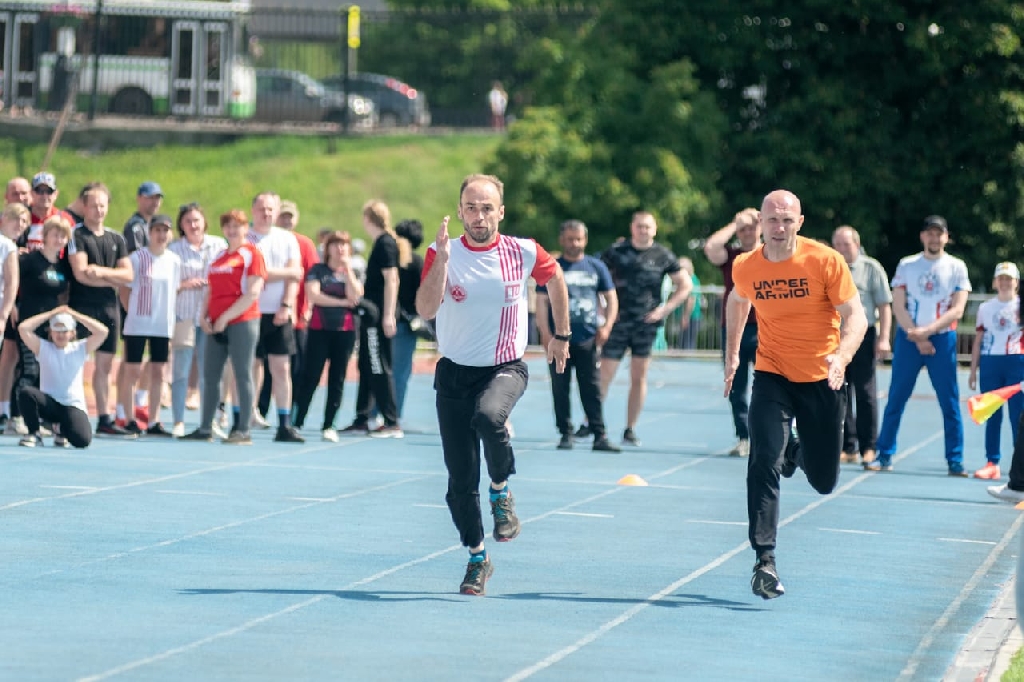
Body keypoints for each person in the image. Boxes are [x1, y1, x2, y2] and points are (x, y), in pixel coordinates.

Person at [415, 173, 571, 596]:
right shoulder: (441, 253)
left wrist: (562, 334)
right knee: (459, 483)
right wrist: (442, 261)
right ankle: (477, 557)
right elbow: (425, 308)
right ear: (460, 211)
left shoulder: (522, 251)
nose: (479, 216)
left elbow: (555, 278)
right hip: (454, 373)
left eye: (487, 208)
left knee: (488, 417)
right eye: (471, 208)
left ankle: (501, 491)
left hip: (504, 367)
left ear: (501, 211)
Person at [725, 189, 867, 600]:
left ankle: (795, 451)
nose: (779, 227)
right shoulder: (746, 266)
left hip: (822, 378)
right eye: (772, 219)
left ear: (799, 223)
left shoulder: (824, 260)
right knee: (762, 460)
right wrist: (732, 355)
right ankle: (764, 559)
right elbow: (737, 301)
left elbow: (856, 316)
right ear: (761, 223)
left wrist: (842, 357)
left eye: (787, 220)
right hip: (772, 373)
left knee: (824, 481)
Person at [870, 215, 971, 475]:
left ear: (946, 237)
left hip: (942, 340)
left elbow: (957, 309)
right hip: (909, 339)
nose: (934, 238)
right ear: (923, 236)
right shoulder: (908, 265)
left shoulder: (956, 266)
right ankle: (884, 454)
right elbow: (898, 304)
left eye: (939, 234)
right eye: (930, 233)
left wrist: (928, 332)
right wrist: (916, 334)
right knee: (896, 397)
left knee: (949, 401)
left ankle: (955, 459)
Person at [599, 211, 692, 446]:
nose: (643, 231)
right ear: (632, 228)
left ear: (655, 229)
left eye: (648, 227)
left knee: (639, 376)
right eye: (639, 226)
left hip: (646, 324)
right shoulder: (616, 251)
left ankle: (630, 428)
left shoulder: (662, 255)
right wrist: (603, 309)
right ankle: (592, 422)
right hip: (618, 322)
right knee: (605, 373)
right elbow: (596, 276)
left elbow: (685, 284)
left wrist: (665, 309)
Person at [536, 219, 620, 452]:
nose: (574, 243)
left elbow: (611, 298)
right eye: (570, 239)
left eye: (578, 239)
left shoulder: (596, 267)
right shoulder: (552, 267)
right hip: (559, 340)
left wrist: (607, 326)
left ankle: (599, 434)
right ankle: (565, 432)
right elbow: (541, 302)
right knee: (560, 388)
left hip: (587, 339)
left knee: (591, 388)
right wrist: (545, 332)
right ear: (562, 240)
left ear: (585, 240)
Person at [182, 210, 266, 445]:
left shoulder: (252, 254)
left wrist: (226, 317)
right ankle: (205, 427)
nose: (232, 230)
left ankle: (243, 429)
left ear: (246, 229)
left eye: (237, 226)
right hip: (215, 323)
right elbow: (210, 289)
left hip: (242, 321)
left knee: (242, 373)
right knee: (210, 375)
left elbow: (253, 293)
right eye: (228, 226)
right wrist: (203, 316)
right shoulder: (219, 256)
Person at [66, 184, 135, 437]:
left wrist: (102, 272)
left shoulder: (117, 239)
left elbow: (128, 275)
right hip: (82, 305)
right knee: (75, 363)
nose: (98, 210)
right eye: (94, 205)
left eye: (102, 205)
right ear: (84, 207)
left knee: (104, 365)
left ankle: (104, 418)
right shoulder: (76, 235)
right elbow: (82, 274)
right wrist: (112, 277)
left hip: (109, 308)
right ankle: (71, 413)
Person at [341, 200, 405, 438]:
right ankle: (363, 417)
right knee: (366, 365)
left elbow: (392, 279)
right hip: (371, 314)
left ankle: (391, 421)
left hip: (379, 315)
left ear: (368, 219)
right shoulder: (380, 243)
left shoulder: (386, 243)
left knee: (379, 365)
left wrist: (388, 315)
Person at [831, 226, 893, 465]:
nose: (842, 249)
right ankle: (848, 446)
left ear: (857, 244)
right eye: (837, 244)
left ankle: (869, 446)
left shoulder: (871, 268)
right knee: (839, 391)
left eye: (846, 244)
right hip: (835, 337)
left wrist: (884, 338)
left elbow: (884, 305)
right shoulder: (830, 267)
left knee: (865, 392)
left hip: (863, 335)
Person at [7, 216, 72, 438]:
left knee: (45, 373)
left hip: (50, 328)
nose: (59, 239)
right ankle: (15, 417)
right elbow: (9, 280)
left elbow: (63, 294)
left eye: (63, 236)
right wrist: (12, 305)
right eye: (55, 234)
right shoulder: (30, 260)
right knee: (29, 370)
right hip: (28, 323)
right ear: (45, 236)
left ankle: (39, 419)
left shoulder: (62, 266)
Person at [292, 231, 362, 441]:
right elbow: (314, 295)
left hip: (345, 331)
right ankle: (297, 421)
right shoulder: (317, 270)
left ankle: (329, 424)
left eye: (344, 244)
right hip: (319, 330)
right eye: (336, 244)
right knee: (311, 375)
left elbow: (356, 296)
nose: (340, 248)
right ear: (328, 248)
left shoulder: (353, 271)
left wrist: (348, 270)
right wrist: (341, 303)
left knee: (337, 378)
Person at [246, 191, 304, 443]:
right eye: (262, 209)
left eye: (270, 209)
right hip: (251, 311)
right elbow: (256, 274)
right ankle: (247, 415)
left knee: (281, 368)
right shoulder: (246, 239)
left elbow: (296, 275)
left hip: (278, 313)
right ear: (253, 211)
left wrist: (286, 305)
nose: (266, 213)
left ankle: (284, 423)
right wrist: (284, 272)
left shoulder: (287, 239)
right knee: (250, 366)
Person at [704, 208, 761, 457]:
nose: (747, 232)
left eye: (752, 228)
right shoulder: (732, 256)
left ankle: (766, 436)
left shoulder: (769, 254)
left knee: (768, 385)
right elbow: (711, 247)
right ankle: (744, 436)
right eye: (743, 229)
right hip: (734, 327)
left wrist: (761, 220)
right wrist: (734, 222)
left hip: (765, 327)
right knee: (736, 386)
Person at [118, 214, 181, 437]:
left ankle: (154, 420)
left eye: (165, 231)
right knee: (132, 370)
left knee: (158, 372)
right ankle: (128, 418)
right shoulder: (137, 258)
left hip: (162, 325)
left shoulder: (174, 261)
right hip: (138, 323)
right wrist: (133, 312)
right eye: (157, 230)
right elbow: (124, 289)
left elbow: (175, 290)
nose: (161, 235)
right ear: (150, 233)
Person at [168, 203, 227, 437]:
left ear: (204, 222)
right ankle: (178, 420)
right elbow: (166, 284)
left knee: (209, 372)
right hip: (184, 316)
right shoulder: (174, 250)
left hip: (210, 318)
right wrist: (184, 285)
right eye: (188, 221)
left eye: (196, 220)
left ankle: (209, 421)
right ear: (181, 225)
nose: (193, 225)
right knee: (181, 371)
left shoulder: (219, 246)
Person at [257, 199, 319, 424]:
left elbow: (307, 276)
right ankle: (259, 410)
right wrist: (287, 274)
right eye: (283, 216)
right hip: (263, 312)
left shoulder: (302, 243)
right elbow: (260, 272)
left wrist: (306, 307)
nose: (286, 220)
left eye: (290, 216)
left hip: (294, 314)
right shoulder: (259, 240)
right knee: (261, 366)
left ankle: (289, 416)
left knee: (291, 368)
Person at [17, 306, 110, 448]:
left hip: (72, 406)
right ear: (51, 332)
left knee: (82, 441)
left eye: (65, 331)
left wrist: (74, 314)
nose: (60, 335)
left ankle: (60, 429)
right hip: (49, 404)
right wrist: (51, 313)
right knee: (26, 393)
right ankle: (34, 433)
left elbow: (103, 331)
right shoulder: (42, 347)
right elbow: (23, 328)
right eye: (57, 331)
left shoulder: (80, 348)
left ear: (72, 333)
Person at [968, 263, 1023, 480]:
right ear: (994, 282)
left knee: (1018, 416)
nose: (1005, 282)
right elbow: (978, 340)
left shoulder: (1021, 304)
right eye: (1001, 278)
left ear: (1016, 283)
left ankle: (1020, 465)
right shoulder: (985, 308)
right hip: (991, 363)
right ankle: (992, 462)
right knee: (991, 414)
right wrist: (973, 370)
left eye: (1009, 279)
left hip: (1016, 362)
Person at [0, 204, 30, 433]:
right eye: (15, 219)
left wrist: (4, 313)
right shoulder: (7, 245)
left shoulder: (8, 246)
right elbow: (12, 283)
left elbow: (12, 284)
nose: (19, 225)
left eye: (23, 221)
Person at [393, 219, 425, 419]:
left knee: (381, 370)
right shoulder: (417, 262)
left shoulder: (390, 258)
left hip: (388, 319)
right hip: (407, 322)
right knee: (400, 372)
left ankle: (374, 412)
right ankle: (394, 414)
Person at [123, 181, 163, 254]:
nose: (155, 202)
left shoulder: (158, 224)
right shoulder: (135, 226)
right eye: (151, 198)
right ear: (139, 198)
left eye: (157, 198)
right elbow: (136, 257)